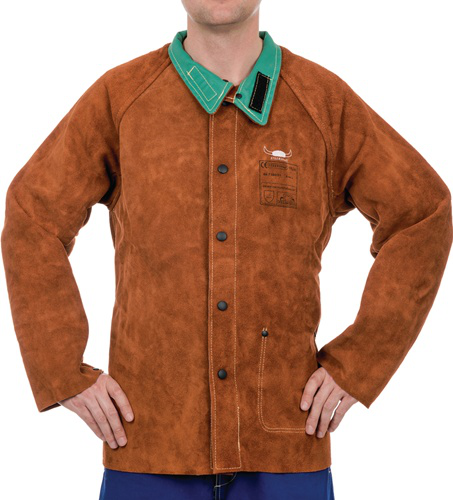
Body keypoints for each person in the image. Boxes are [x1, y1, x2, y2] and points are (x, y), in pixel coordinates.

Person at [2, 1, 452, 499]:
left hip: (287, 446)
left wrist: (361, 363)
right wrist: (60, 370)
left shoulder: (323, 104)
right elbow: (32, 214)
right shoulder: (122, 99)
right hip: (148, 443)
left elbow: (423, 212)